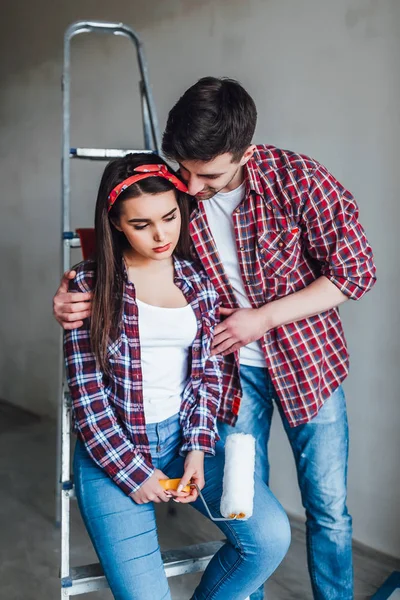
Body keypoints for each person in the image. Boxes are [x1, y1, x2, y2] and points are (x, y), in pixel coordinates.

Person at [54, 78, 377, 600]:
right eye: (182, 169)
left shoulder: (300, 180)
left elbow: (355, 271)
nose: (191, 185)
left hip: (308, 364)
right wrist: (72, 288)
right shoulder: (181, 186)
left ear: (246, 152)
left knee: (327, 508)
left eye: (206, 175)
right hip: (225, 372)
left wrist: (263, 318)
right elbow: (129, 222)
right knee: (244, 505)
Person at [62, 152, 290, 600]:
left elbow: (204, 378)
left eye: (169, 217)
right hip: (113, 457)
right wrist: (133, 473)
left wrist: (198, 450)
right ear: (115, 225)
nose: (161, 234)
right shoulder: (88, 286)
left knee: (270, 538)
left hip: (182, 443)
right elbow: (87, 399)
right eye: (141, 224)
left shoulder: (196, 281)